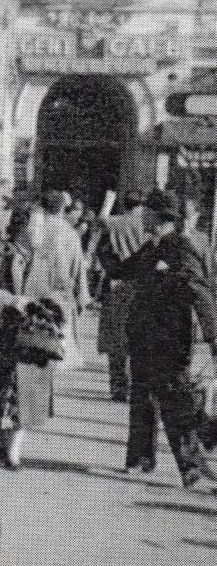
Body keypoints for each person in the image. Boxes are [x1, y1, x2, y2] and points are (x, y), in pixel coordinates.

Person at [103, 188, 217, 489]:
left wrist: (214, 337)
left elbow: (200, 292)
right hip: (143, 338)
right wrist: (103, 238)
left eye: (146, 213)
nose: (142, 218)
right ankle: (141, 458)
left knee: (174, 400)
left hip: (169, 341)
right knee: (141, 397)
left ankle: (192, 463)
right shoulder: (151, 248)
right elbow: (119, 270)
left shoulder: (180, 248)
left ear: (156, 215)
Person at [0, 203, 56, 469]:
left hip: (33, 336)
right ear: (21, 226)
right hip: (2, 334)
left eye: (43, 226)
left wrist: (53, 307)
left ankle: (13, 449)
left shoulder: (44, 259)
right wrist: (11, 300)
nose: (41, 231)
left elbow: (59, 291)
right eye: (37, 226)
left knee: (28, 395)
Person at [25, 189, 90, 371]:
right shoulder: (71, 234)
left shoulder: (34, 231)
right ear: (62, 208)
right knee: (55, 353)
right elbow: (79, 273)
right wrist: (81, 300)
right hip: (60, 303)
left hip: (32, 297)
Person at [96, 190, 148, 401]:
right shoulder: (148, 225)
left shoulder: (114, 222)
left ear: (125, 204)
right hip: (143, 284)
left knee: (116, 335)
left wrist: (109, 199)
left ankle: (118, 386)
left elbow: (101, 237)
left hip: (118, 282)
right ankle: (139, 385)